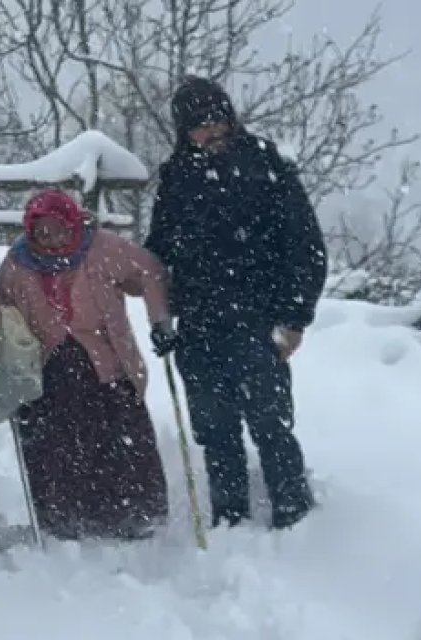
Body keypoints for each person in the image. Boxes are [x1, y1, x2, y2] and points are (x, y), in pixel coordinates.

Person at [144, 75, 328, 530]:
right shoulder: (177, 173)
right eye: (197, 128)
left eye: (216, 122)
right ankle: (230, 519)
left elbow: (306, 246)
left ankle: (295, 515)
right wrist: (160, 314)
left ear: (230, 119)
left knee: (270, 423)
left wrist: (295, 318)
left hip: (257, 318)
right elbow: (159, 250)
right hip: (200, 322)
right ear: (184, 131)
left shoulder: (267, 164)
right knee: (215, 429)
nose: (209, 134)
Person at [0, 189, 174, 541]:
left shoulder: (101, 247)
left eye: (58, 229)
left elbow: (150, 272)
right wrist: (4, 354)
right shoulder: (17, 262)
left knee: (118, 441)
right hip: (47, 368)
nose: (50, 239)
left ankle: (132, 516)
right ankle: (64, 520)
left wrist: (160, 322)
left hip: (107, 364)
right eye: (40, 231)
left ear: (73, 224)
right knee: (56, 444)